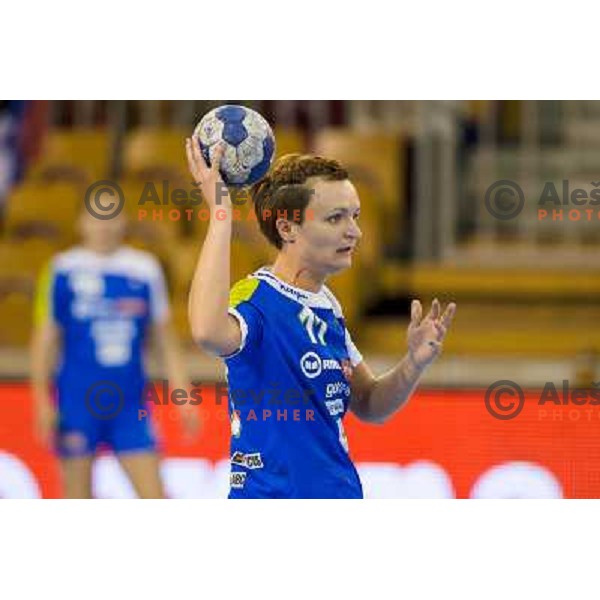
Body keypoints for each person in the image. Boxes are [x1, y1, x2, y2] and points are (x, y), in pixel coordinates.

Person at [186, 139, 456, 499]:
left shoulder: (327, 305)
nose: (355, 232)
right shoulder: (256, 298)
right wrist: (221, 215)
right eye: (335, 218)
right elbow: (206, 331)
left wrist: (413, 364)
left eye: (355, 216)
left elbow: (370, 404)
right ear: (287, 229)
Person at [31, 204, 199, 498]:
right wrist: (41, 401)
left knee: (155, 497)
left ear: (123, 222)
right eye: (96, 218)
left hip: (129, 405)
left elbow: (165, 341)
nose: (104, 226)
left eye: (111, 217)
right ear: (81, 222)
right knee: (76, 498)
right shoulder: (62, 268)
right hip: (76, 402)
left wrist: (182, 396)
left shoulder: (144, 268)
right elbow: (45, 340)